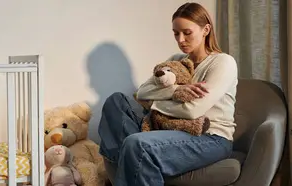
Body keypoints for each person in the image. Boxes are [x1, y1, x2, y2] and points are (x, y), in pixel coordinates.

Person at [98, 2, 238, 186]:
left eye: (187, 33)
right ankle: (130, 169)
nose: (180, 40)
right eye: (175, 33)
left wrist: (154, 105)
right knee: (115, 102)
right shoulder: (175, 60)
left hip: (210, 138)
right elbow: (142, 92)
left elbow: (193, 111)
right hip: (170, 129)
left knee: (137, 144)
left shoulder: (223, 62)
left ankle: (128, 171)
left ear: (206, 30)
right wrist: (175, 90)